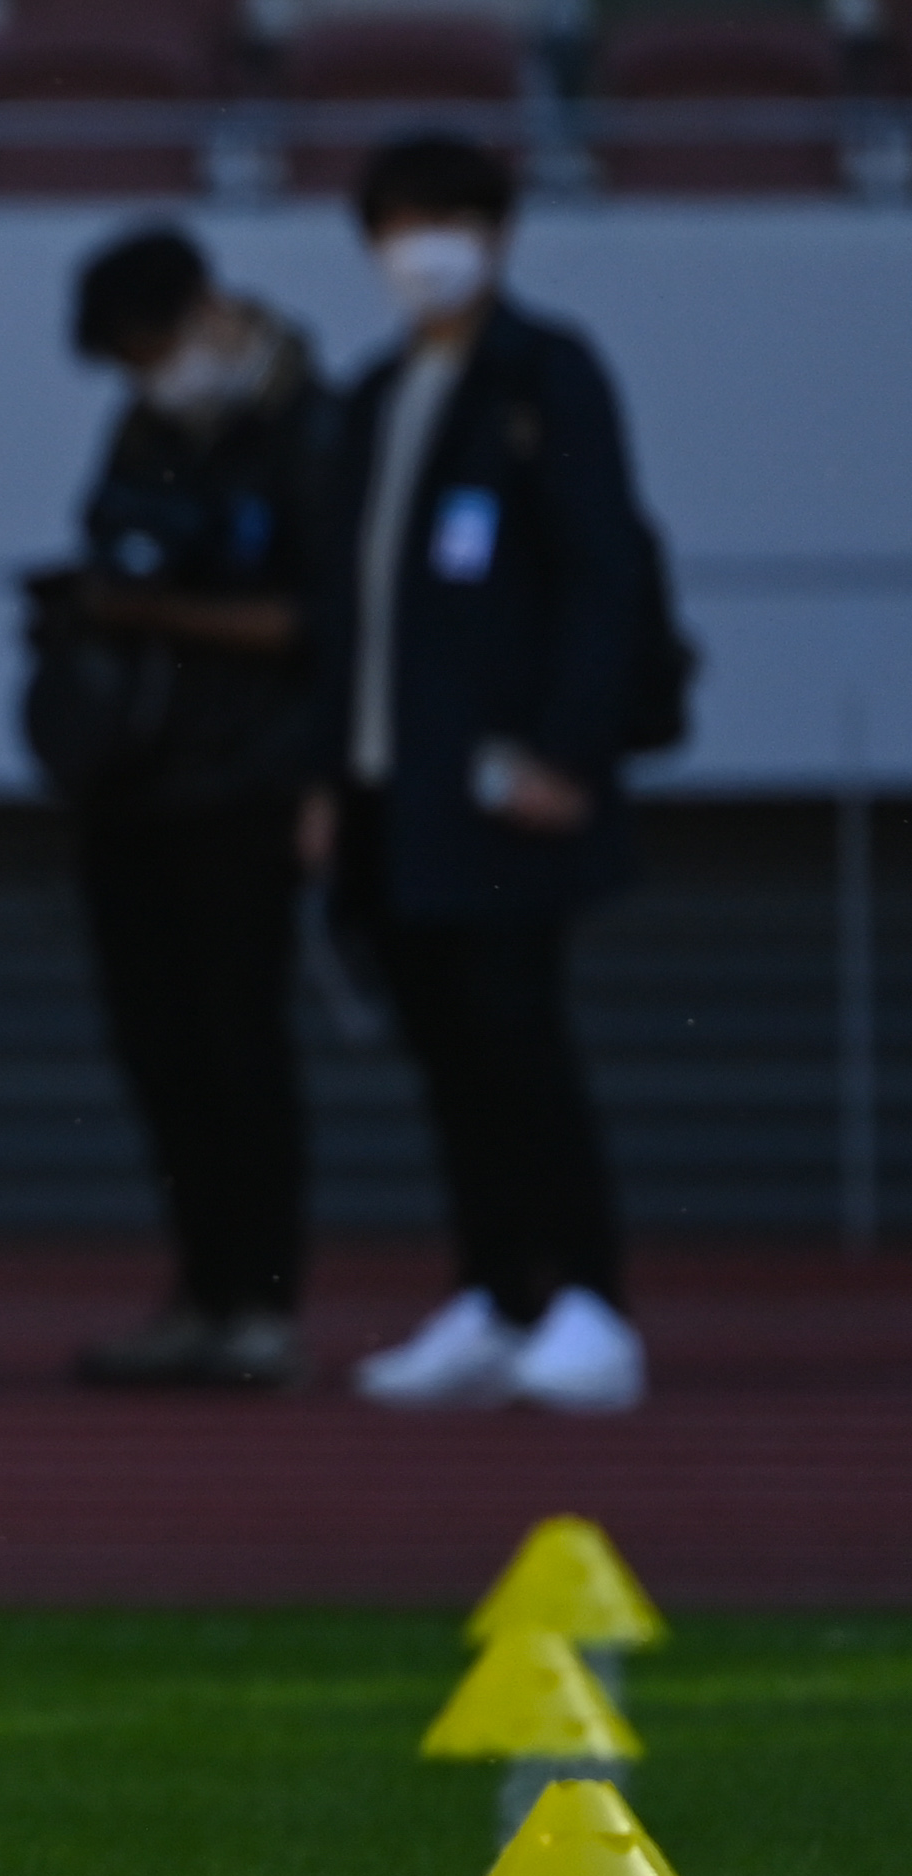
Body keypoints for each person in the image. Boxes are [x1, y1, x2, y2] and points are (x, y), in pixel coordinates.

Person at [311, 135, 657, 1413]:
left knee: (518, 1039)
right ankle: (497, 1290)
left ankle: (588, 1299)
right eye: (400, 222)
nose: (423, 247)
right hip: (387, 784)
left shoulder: (543, 375)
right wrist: (321, 777)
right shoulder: (376, 390)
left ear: (497, 230)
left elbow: (600, 573)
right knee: (447, 1050)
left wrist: (565, 748)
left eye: (447, 219)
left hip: (502, 781)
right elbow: (345, 610)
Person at [36, 225, 333, 1390]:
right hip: (136, 782)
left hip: (247, 782)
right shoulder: (147, 427)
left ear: (207, 310)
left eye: (150, 344)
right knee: (160, 1053)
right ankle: (201, 1292)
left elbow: (313, 618)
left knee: (237, 1049)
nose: (142, 371)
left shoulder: (307, 426)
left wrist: (151, 614)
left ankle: (261, 1301)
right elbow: (117, 554)